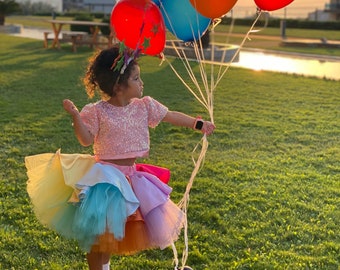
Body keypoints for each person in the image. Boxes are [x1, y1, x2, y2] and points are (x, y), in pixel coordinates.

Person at [26, 45, 215, 270]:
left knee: (113, 234)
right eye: (136, 78)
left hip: (131, 178)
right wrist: (76, 116)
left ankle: (104, 267)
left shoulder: (144, 106)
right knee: (98, 238)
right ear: (119, 87)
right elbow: (86, 139)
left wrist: (198, 123)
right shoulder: (97, 111)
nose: (141, 82)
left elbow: (171, 115)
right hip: (106, 181)